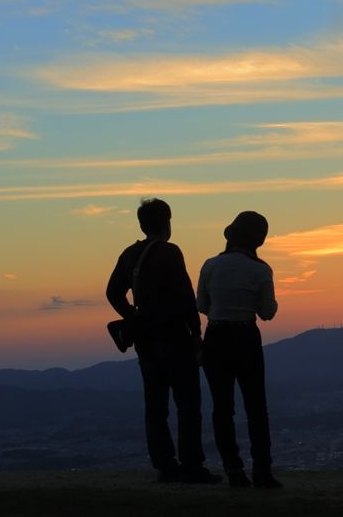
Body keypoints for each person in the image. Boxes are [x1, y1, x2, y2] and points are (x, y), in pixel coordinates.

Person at [106, 198, 221, 484]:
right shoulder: (170, 252)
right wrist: (196, 333)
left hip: (145, 340)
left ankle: (165, 467)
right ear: (168, 223)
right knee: (188, 403)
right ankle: (191, 466)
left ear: (142, 224)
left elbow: (112, 292)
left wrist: (133, 316)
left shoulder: (129, 253)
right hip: (174, 337)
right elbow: (185, 296)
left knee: (155, 405)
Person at [197, 211, 282, 489]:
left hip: (216, 337)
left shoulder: (210, 265)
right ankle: (262, 471)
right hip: (246, 337)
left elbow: (202, 306)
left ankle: (233, 469)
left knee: (222, 409)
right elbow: (267, 313)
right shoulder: (261, 270)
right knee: (256, 407)